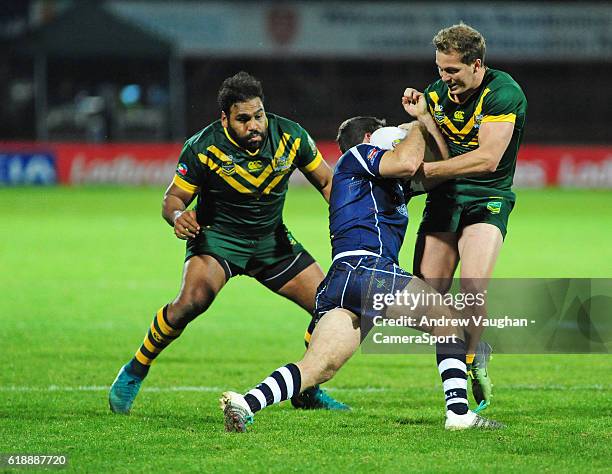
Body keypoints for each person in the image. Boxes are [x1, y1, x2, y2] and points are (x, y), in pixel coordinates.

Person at [220, 111, 504, 432]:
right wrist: (416, 125)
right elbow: (409, 161)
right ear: (371, 138)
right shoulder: (358, 155)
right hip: (367, 269)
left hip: (343, 280)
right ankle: (459, 414)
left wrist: (439, 130)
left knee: (318, 368)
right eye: (387, 135)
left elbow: (434, 170)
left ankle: (245, 402)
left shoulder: (385, 181)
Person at [109, 71, 349, 414]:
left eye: (259, 115)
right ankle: (136, 368)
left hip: (271, 242)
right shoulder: (203, 147)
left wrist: (349, 223)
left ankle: (305, 390)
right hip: (218, 240)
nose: (255, 125)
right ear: (225, 118)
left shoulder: (291, 137)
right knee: (191, 302)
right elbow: (172, 199)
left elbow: (327, 182)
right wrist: (179, 217)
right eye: (244, 119)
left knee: (330, 306)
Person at [403, 23, 528, 410]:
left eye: (452, 70)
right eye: (440, 69)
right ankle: (472, 342)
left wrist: (426, 175)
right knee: (423, 301)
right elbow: (440, 149)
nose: (445, 78)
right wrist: (423, 118)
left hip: (487, 198)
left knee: (473, 286)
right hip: (444, 201)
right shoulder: (436, 94)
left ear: (477, 64)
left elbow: (488, 160)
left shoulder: (503, 93)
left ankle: (471, 361)